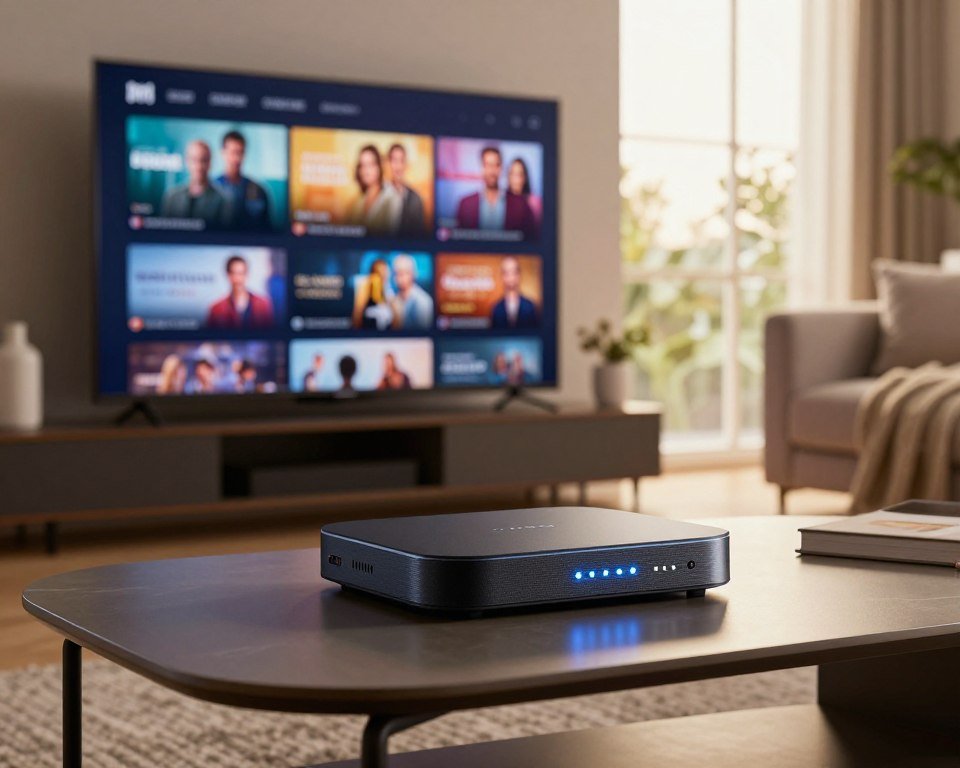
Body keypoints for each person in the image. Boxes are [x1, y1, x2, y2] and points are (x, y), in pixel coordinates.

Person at [455, 146, 536, 240]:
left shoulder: (520, 204)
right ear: (482, 167)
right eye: (487, 165)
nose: (492, 171)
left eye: (496, 165)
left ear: (501, 168)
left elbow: (531, 241)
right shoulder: (465, 204)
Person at [160, 140, 231, 228]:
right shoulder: (172, 197)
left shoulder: (223, 200)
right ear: (187, 162)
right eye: (194, 160)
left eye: (203, 160)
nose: (199, 166)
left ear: (210, 163)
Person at [214, 131, 272, 231]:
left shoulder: (259, 191)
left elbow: (267, 229)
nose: (237, 158)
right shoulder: (211, 189)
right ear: (223, 153)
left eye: (240, 152)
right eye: (233, 152)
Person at [206, 255, 275, 330]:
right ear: (228, 275)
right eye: (233, 273)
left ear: (247, 275)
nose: (237, 279)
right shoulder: (216, 309)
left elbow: (272, 336)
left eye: (241, 273)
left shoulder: (263, 305)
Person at [346, 145, 400, 235]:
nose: (366, 171)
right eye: (362, 165)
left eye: (371, 164)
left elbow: (391, 235)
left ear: (379, 166)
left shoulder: (392, 198)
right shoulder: (357, 202)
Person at [386, 144, 426, 235]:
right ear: (388, 163)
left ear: (406, 165)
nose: (398, 166)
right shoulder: (379, 194)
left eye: (402, 161)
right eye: (394, 160)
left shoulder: (415, 199)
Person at [490, 256, 539, 329]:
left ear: (519, 275)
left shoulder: (530, 307)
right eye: (506, 273)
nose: (510, 277)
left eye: (513, 272)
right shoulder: (496, 309)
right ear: (502, 276)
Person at [390, 254, 433, 330]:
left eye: (402, 273)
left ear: (412, 274)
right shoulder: (393, 299)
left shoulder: (423, 301)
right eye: (396, 274)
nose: (399, 278)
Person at [353, 258, 395, 330]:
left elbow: (396, 317)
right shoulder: (366, 286)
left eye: (385, 271)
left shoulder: (388, 289)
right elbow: (357, 314)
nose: (383, 275)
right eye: (379, 272)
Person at [507, 158, 541, 239]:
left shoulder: (534, 203)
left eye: (519, 175)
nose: (515, 180)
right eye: (512, 174)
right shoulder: (502, 202)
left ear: (525, 178)